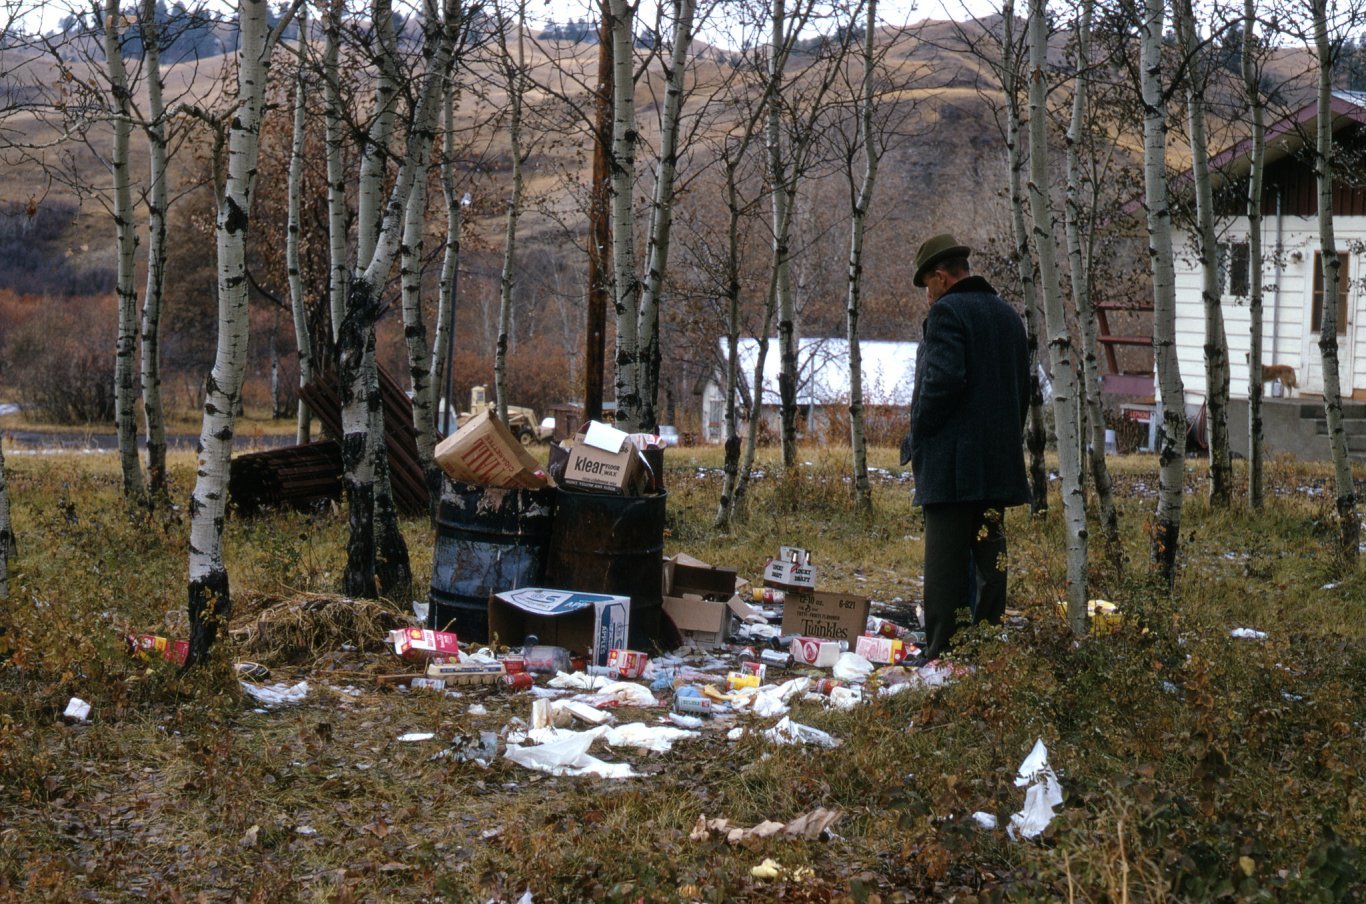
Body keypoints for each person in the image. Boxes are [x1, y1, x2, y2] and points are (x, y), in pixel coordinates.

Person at [907, 234, 1030, 664]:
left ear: (941, 278)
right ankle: (987, 651)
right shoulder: (1009, 318)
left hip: (951, 467)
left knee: (945, 567)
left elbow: (941, 383)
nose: (928, 296)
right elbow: (1024, 393)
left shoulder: (947, 313)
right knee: (991, 559)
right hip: (999, 464)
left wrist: (918, 434)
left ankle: (944, 653)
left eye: (927, 285)